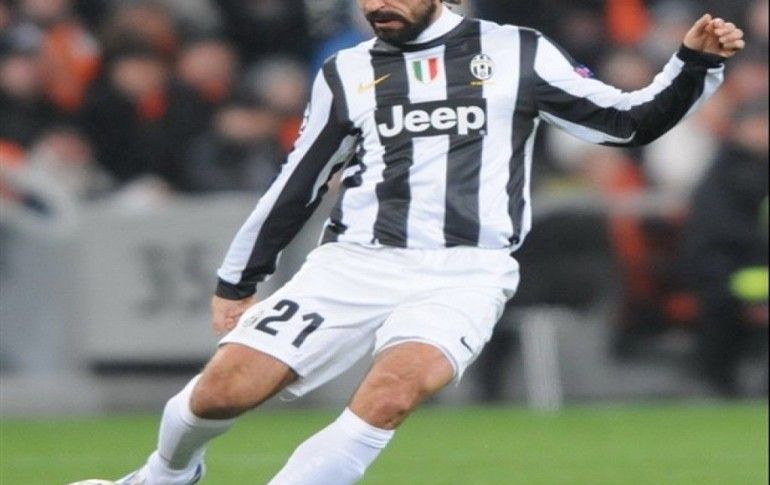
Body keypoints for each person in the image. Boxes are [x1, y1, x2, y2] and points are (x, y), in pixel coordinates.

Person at [73, 1, 746, 484]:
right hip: (354, 263)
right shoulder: (347, 70)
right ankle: (163, 474)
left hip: (466, 271)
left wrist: (692, 63)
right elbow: (299, 180)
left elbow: (626, 123)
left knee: (392, 391)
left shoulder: (516, 51)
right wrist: (239, 278)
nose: (377, 5)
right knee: (221, 390)